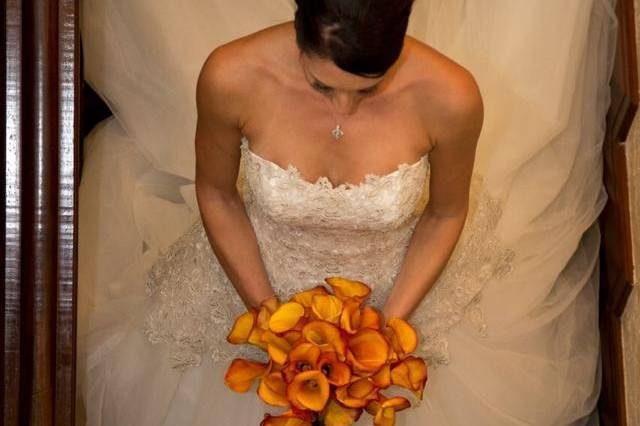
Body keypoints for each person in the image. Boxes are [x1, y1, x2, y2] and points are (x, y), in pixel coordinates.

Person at [76, 0, 617, 425]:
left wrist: (388, 334)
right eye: (321, 85)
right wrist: (271, 323)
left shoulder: (452, 96)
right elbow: (217, 194)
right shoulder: (230, 74)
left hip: (396, 291)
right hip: (255, 279)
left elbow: (446, 214)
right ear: (300, 19)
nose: (344, 109)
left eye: (372, 87)